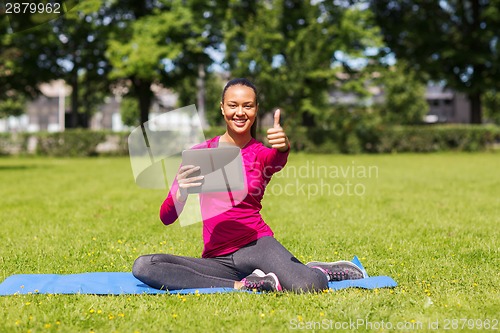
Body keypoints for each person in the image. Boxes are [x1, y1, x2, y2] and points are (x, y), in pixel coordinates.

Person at [132, 78, 365, 292]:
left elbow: (277, 158)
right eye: (233, 105)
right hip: (217, 259)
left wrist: (283, 145)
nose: (240, 112)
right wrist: (180, 194)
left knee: (306, 285)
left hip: (257, 245)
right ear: (222, 108)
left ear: (255, 110)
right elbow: (166, 217)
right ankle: (244, 285)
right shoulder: (199, 155)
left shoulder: (261, 155)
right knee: (145, 266)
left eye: (248, 106)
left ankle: (319, 270)